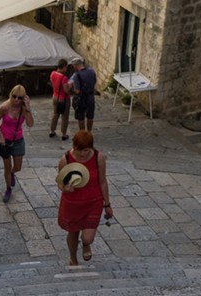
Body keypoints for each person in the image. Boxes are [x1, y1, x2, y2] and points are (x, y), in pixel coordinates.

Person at [56, 130, 112, 266]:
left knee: (88, 238)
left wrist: (107, 204)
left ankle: (86, 244)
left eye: (86, 150)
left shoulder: (99, 158)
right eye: (78, 149)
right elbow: (61, 183)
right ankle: (73, 259)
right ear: (73, 146)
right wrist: (65, 189)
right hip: (72, 202)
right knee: (73, 232)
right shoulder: (66, 160)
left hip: (93, 202)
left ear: (91, 147)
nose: (82, 154)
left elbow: (102, 181)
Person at [0, 84, 34, 203]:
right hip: (4, 141)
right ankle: (8, 189)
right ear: (11, 95)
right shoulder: (4, 107)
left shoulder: (23, 109)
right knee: (6, 166)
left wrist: (28, 108)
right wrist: (0, 135)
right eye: (14, 96)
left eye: (20, 97)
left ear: (24, 98)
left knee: (17, 167)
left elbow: (30, 124)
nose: (16, 99)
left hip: (18, 141)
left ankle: (12, 173)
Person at [67, 58, 97, 131]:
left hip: (81, 98)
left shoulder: (77, 75)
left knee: (81, 117)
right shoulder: (92, 71)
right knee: (90, 116)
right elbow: (94, 83)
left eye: (73, 66)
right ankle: (89, 132)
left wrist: (72, 89)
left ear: (76, 65)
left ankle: (83, 133)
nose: (73, 67)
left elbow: (77, 91)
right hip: (90, 97)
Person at [50, 58, 71, 141]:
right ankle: (64, 133)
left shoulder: (52, 74)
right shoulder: (64, 78)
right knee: (65, 116)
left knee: (55, 114)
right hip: (63, 99)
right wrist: (70, 85)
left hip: (55, 96)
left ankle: (52, 130)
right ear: (64, 67)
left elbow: (53, 84)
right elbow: (66, 90)